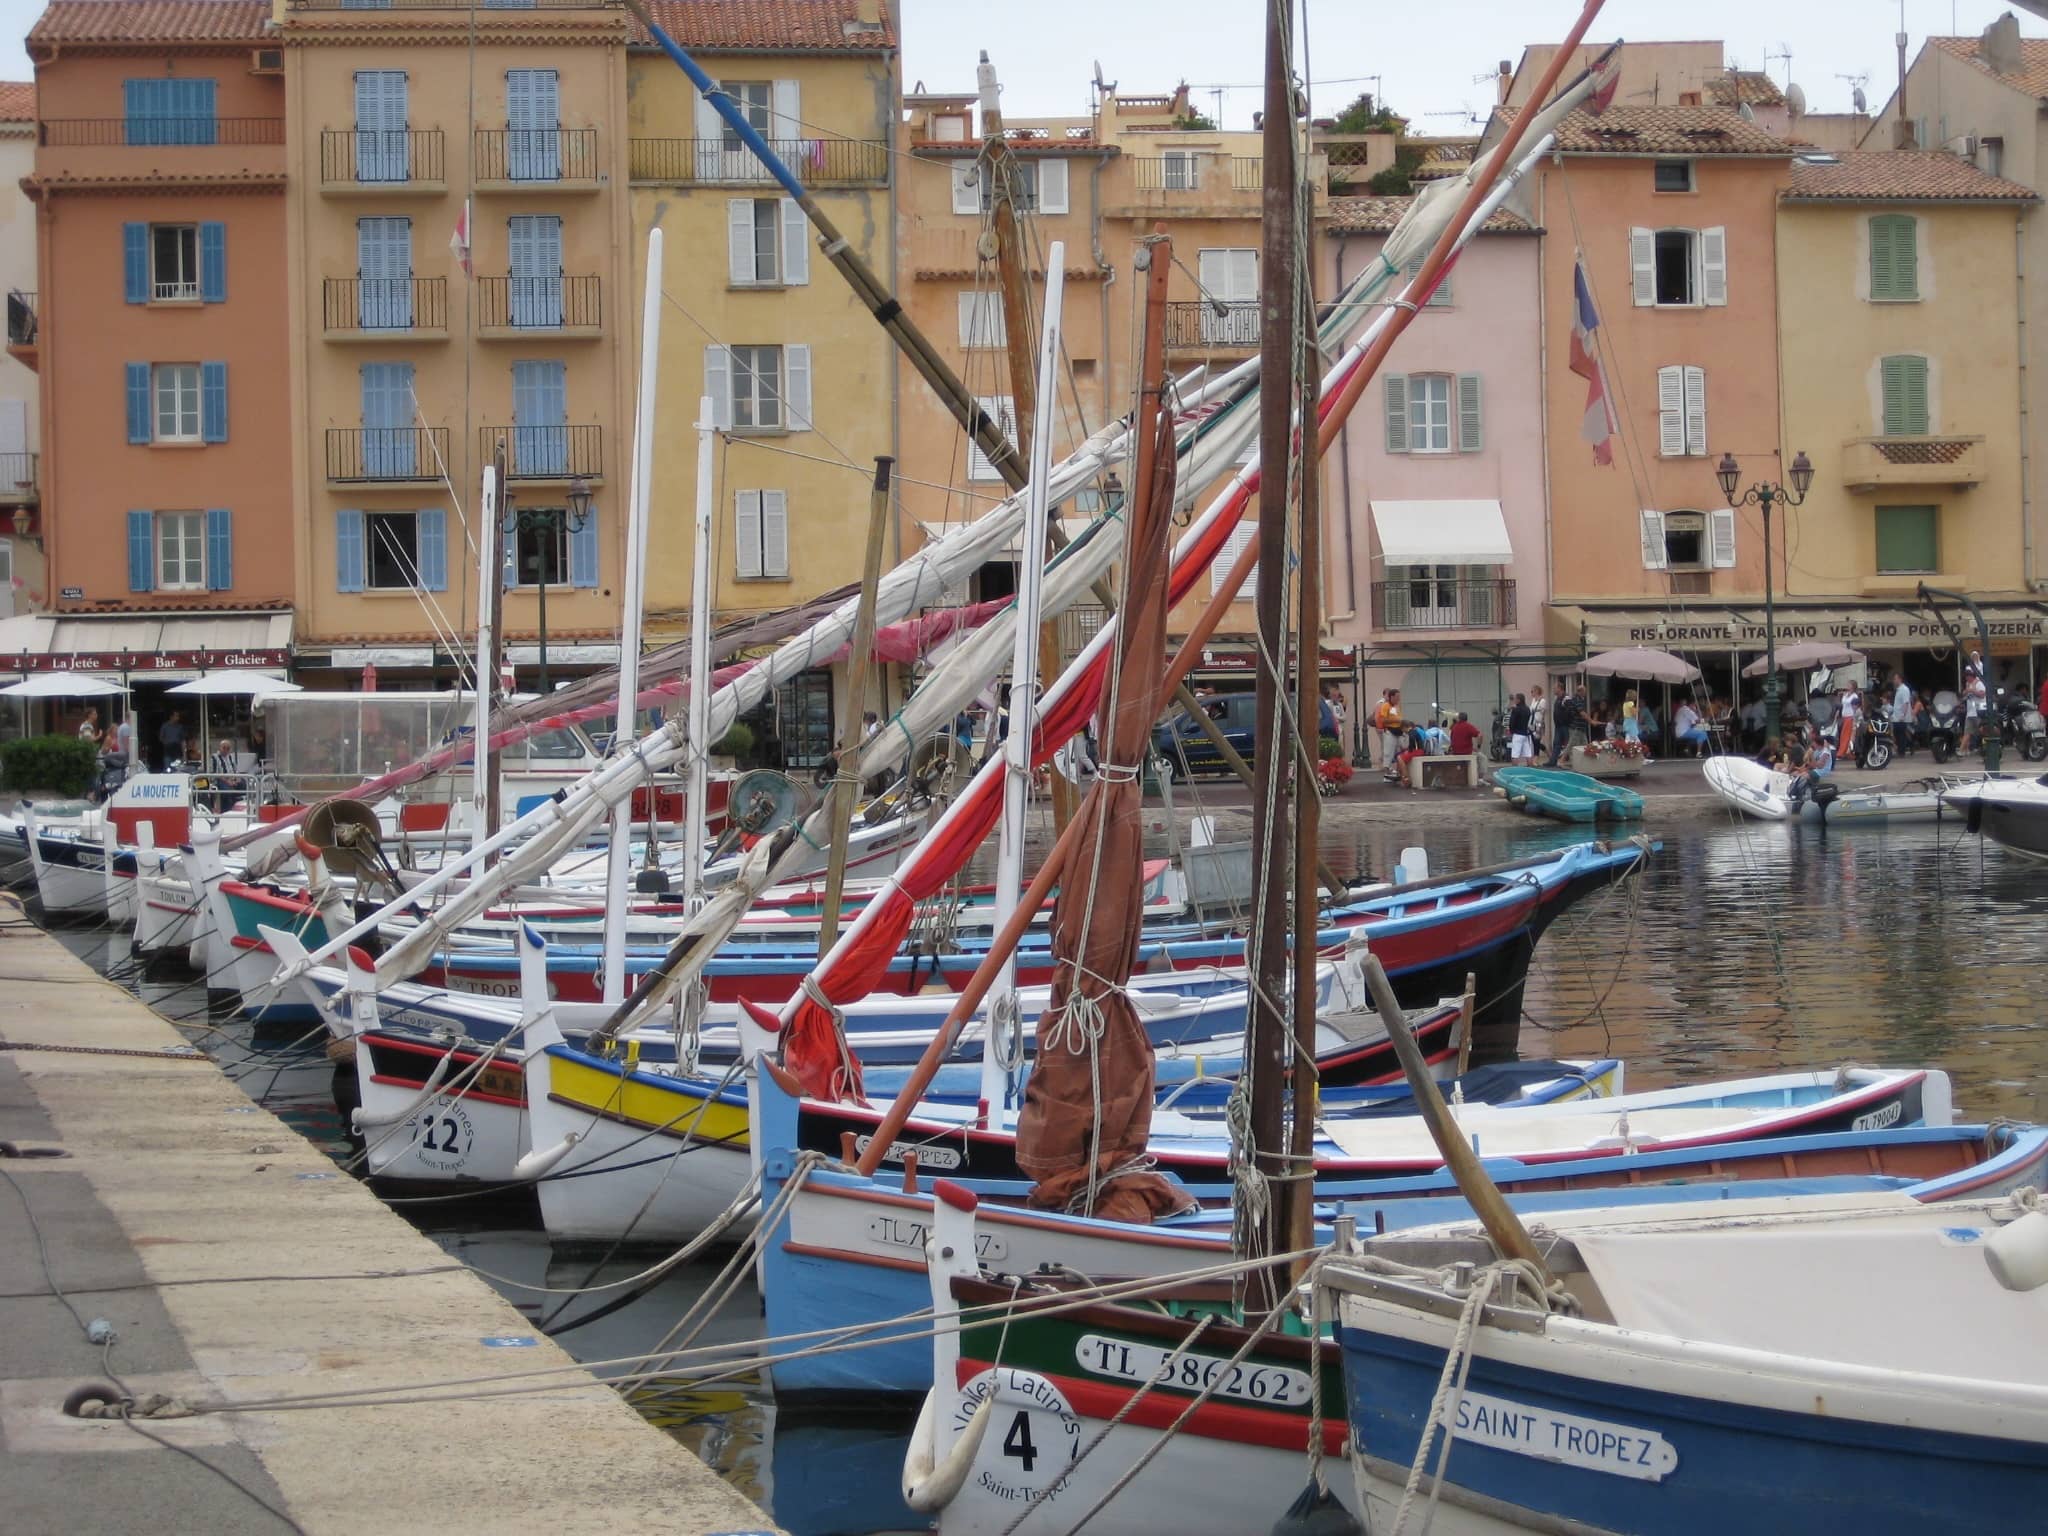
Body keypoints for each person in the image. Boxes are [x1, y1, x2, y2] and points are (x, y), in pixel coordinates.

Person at [1373, 689, 1407, 772]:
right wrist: (1395, 720)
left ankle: (1399, 768)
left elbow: (1399, 718)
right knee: (1388, 751)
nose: (1398, 699)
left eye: (1399, 697)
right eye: (1397, 697)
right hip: (1390, 731)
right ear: (1392, 697)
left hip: (1398, 730)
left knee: (1402, 748)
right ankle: (1386, 768)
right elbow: (1383, 720)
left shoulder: (1397, 707)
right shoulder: (1385, 706)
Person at [1507, 693, 1533, 765]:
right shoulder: (1528, 709)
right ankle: (1530, 770)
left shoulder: (1516, 710)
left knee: (1515, 754)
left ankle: (1515, 772)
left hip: (1517, 734)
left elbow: (1512, 722)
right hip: (1526, 734)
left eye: (1515, 699)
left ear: (1519, 700)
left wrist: (1511, 730)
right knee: (1528, 753)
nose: (1514, 700)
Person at [1527, 683, 1547, 762]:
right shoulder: (1533, 700)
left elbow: (1543, 712)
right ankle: (1548, 752)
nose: (1531, 693)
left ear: (1537, 691)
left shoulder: (1542, 701)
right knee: (1534, 740)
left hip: (1538, 723)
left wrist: (1541, 723)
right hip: (1532, 722)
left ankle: (1535, 758)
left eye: (1532, 691)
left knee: (1536, 741)